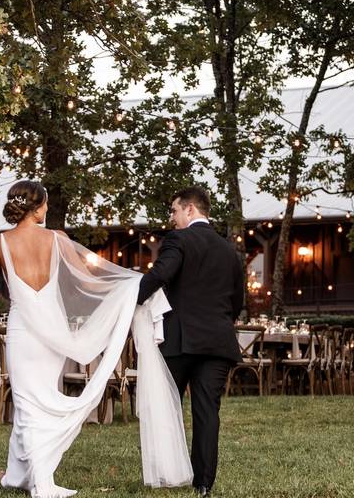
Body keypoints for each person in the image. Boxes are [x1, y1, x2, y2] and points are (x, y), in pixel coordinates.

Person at [0, 180, 191, 498]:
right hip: (53, 331)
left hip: (24, 331)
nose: (48, 209)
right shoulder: (58, 239)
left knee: (26, 405)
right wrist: (135, 285)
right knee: (38, 403)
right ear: (37, 207)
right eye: (46, 204)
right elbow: (90, 285)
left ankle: (40, 482)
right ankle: (18, 475)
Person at [137, 186, 245, 497]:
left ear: (190, 210)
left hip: (179, 340)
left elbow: (160, 274)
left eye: (174, 210)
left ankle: (166, 472)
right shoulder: (230, 251)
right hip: (218, 341)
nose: (171, 218)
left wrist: (130, 299)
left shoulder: (178, 240)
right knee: (207, 411)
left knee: (165, 405)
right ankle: (203, 484)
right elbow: (237, 301)